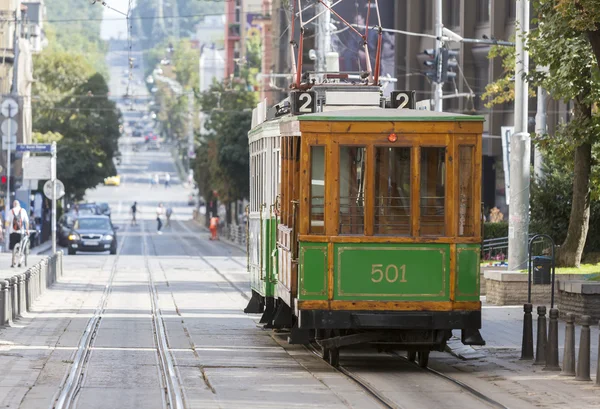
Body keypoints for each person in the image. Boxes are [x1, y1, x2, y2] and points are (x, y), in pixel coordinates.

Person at [8, 200, 29, 267]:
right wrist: (27, 230)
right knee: (21, 246)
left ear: (14, 204)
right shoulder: (23, 210)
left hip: (12, 231)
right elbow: (26, 221)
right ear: (19, 204)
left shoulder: (11, 211)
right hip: (21, 232)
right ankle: (20, 261)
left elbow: (7, 222)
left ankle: (13, 261)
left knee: (13, 247)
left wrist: (8, 228)